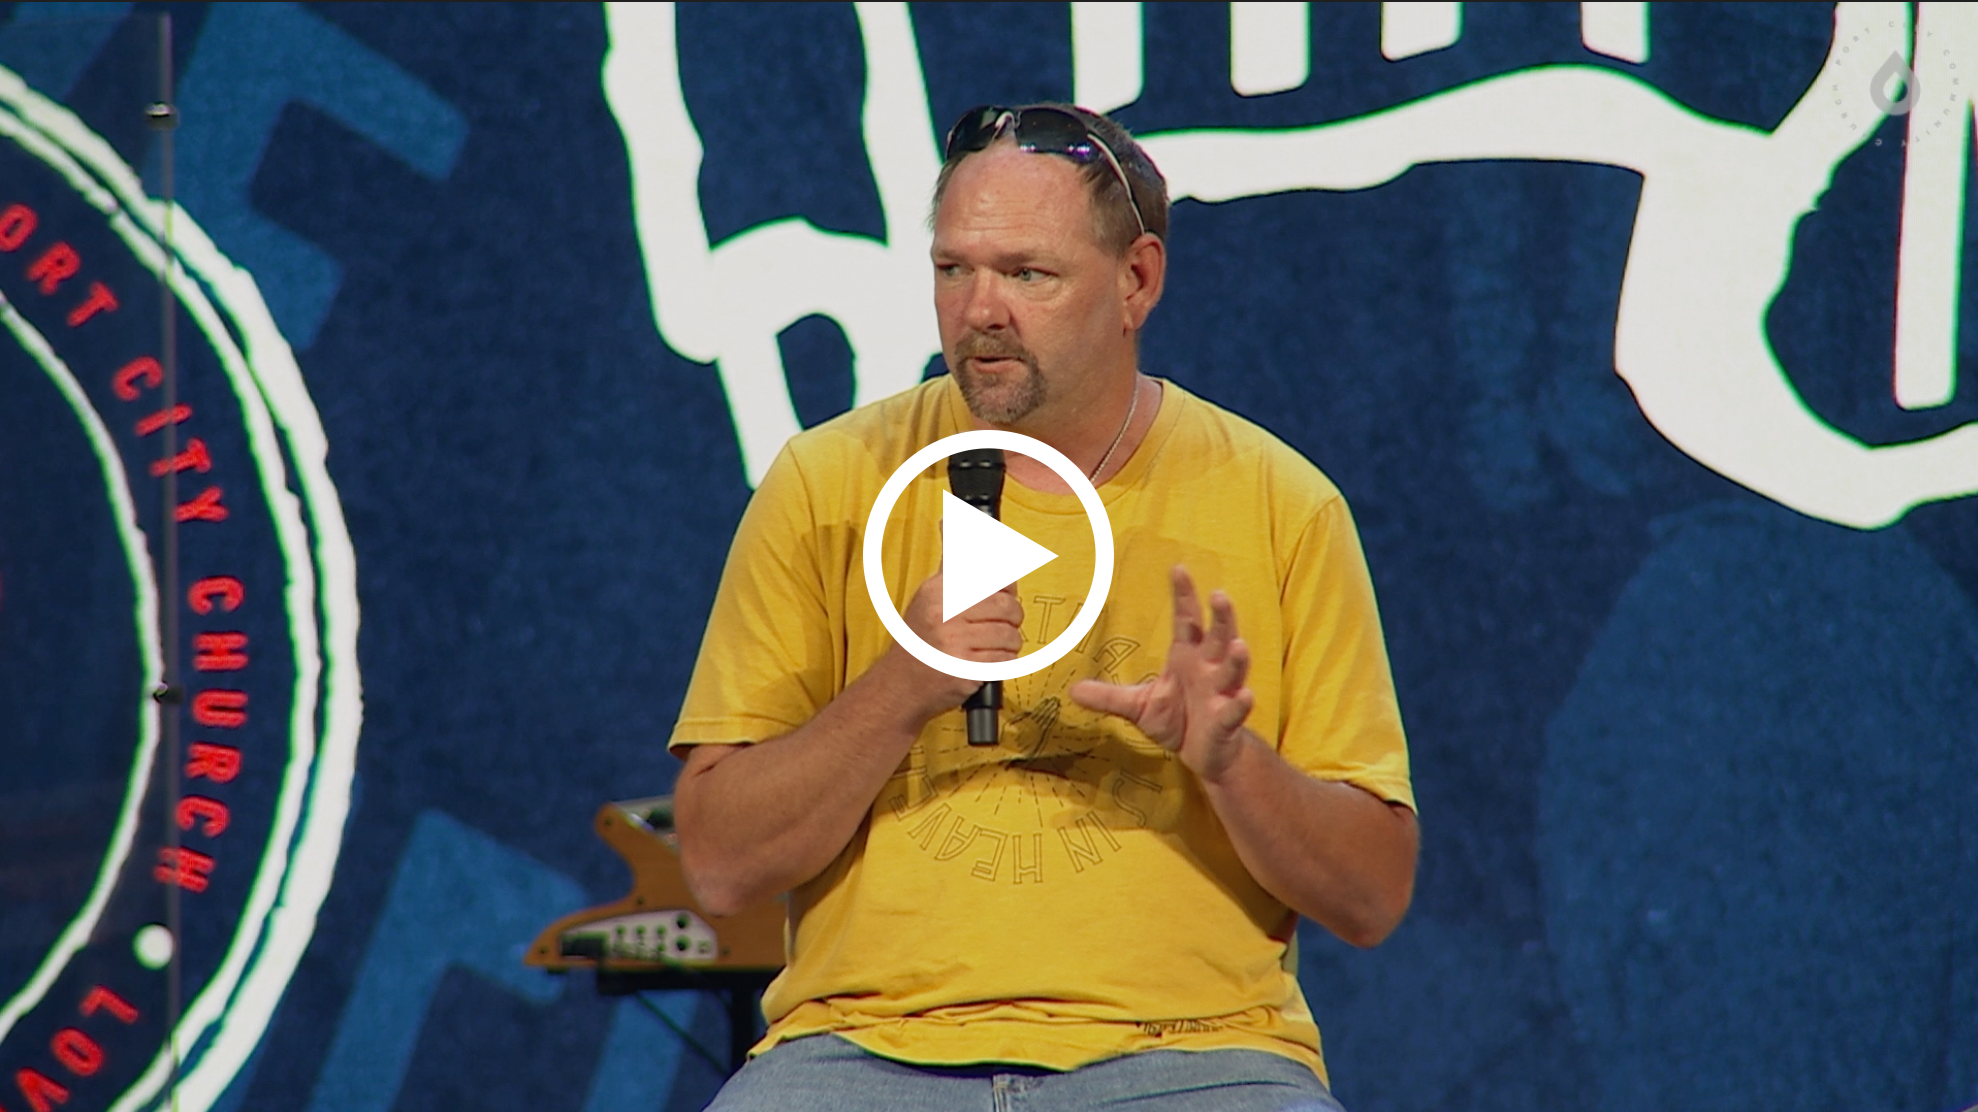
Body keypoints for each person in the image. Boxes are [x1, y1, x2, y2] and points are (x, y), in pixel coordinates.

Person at [670, 103, 1418, 1111]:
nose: (980, 309)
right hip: (864, 1053)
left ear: (1136, 281)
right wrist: (902, 684)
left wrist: (1230, 760)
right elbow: (719, 865)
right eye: (953, 269)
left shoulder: (1281, 505)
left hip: (1196, 1057)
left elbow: (1372, 897)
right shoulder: (827, 481)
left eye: (1027, 273)